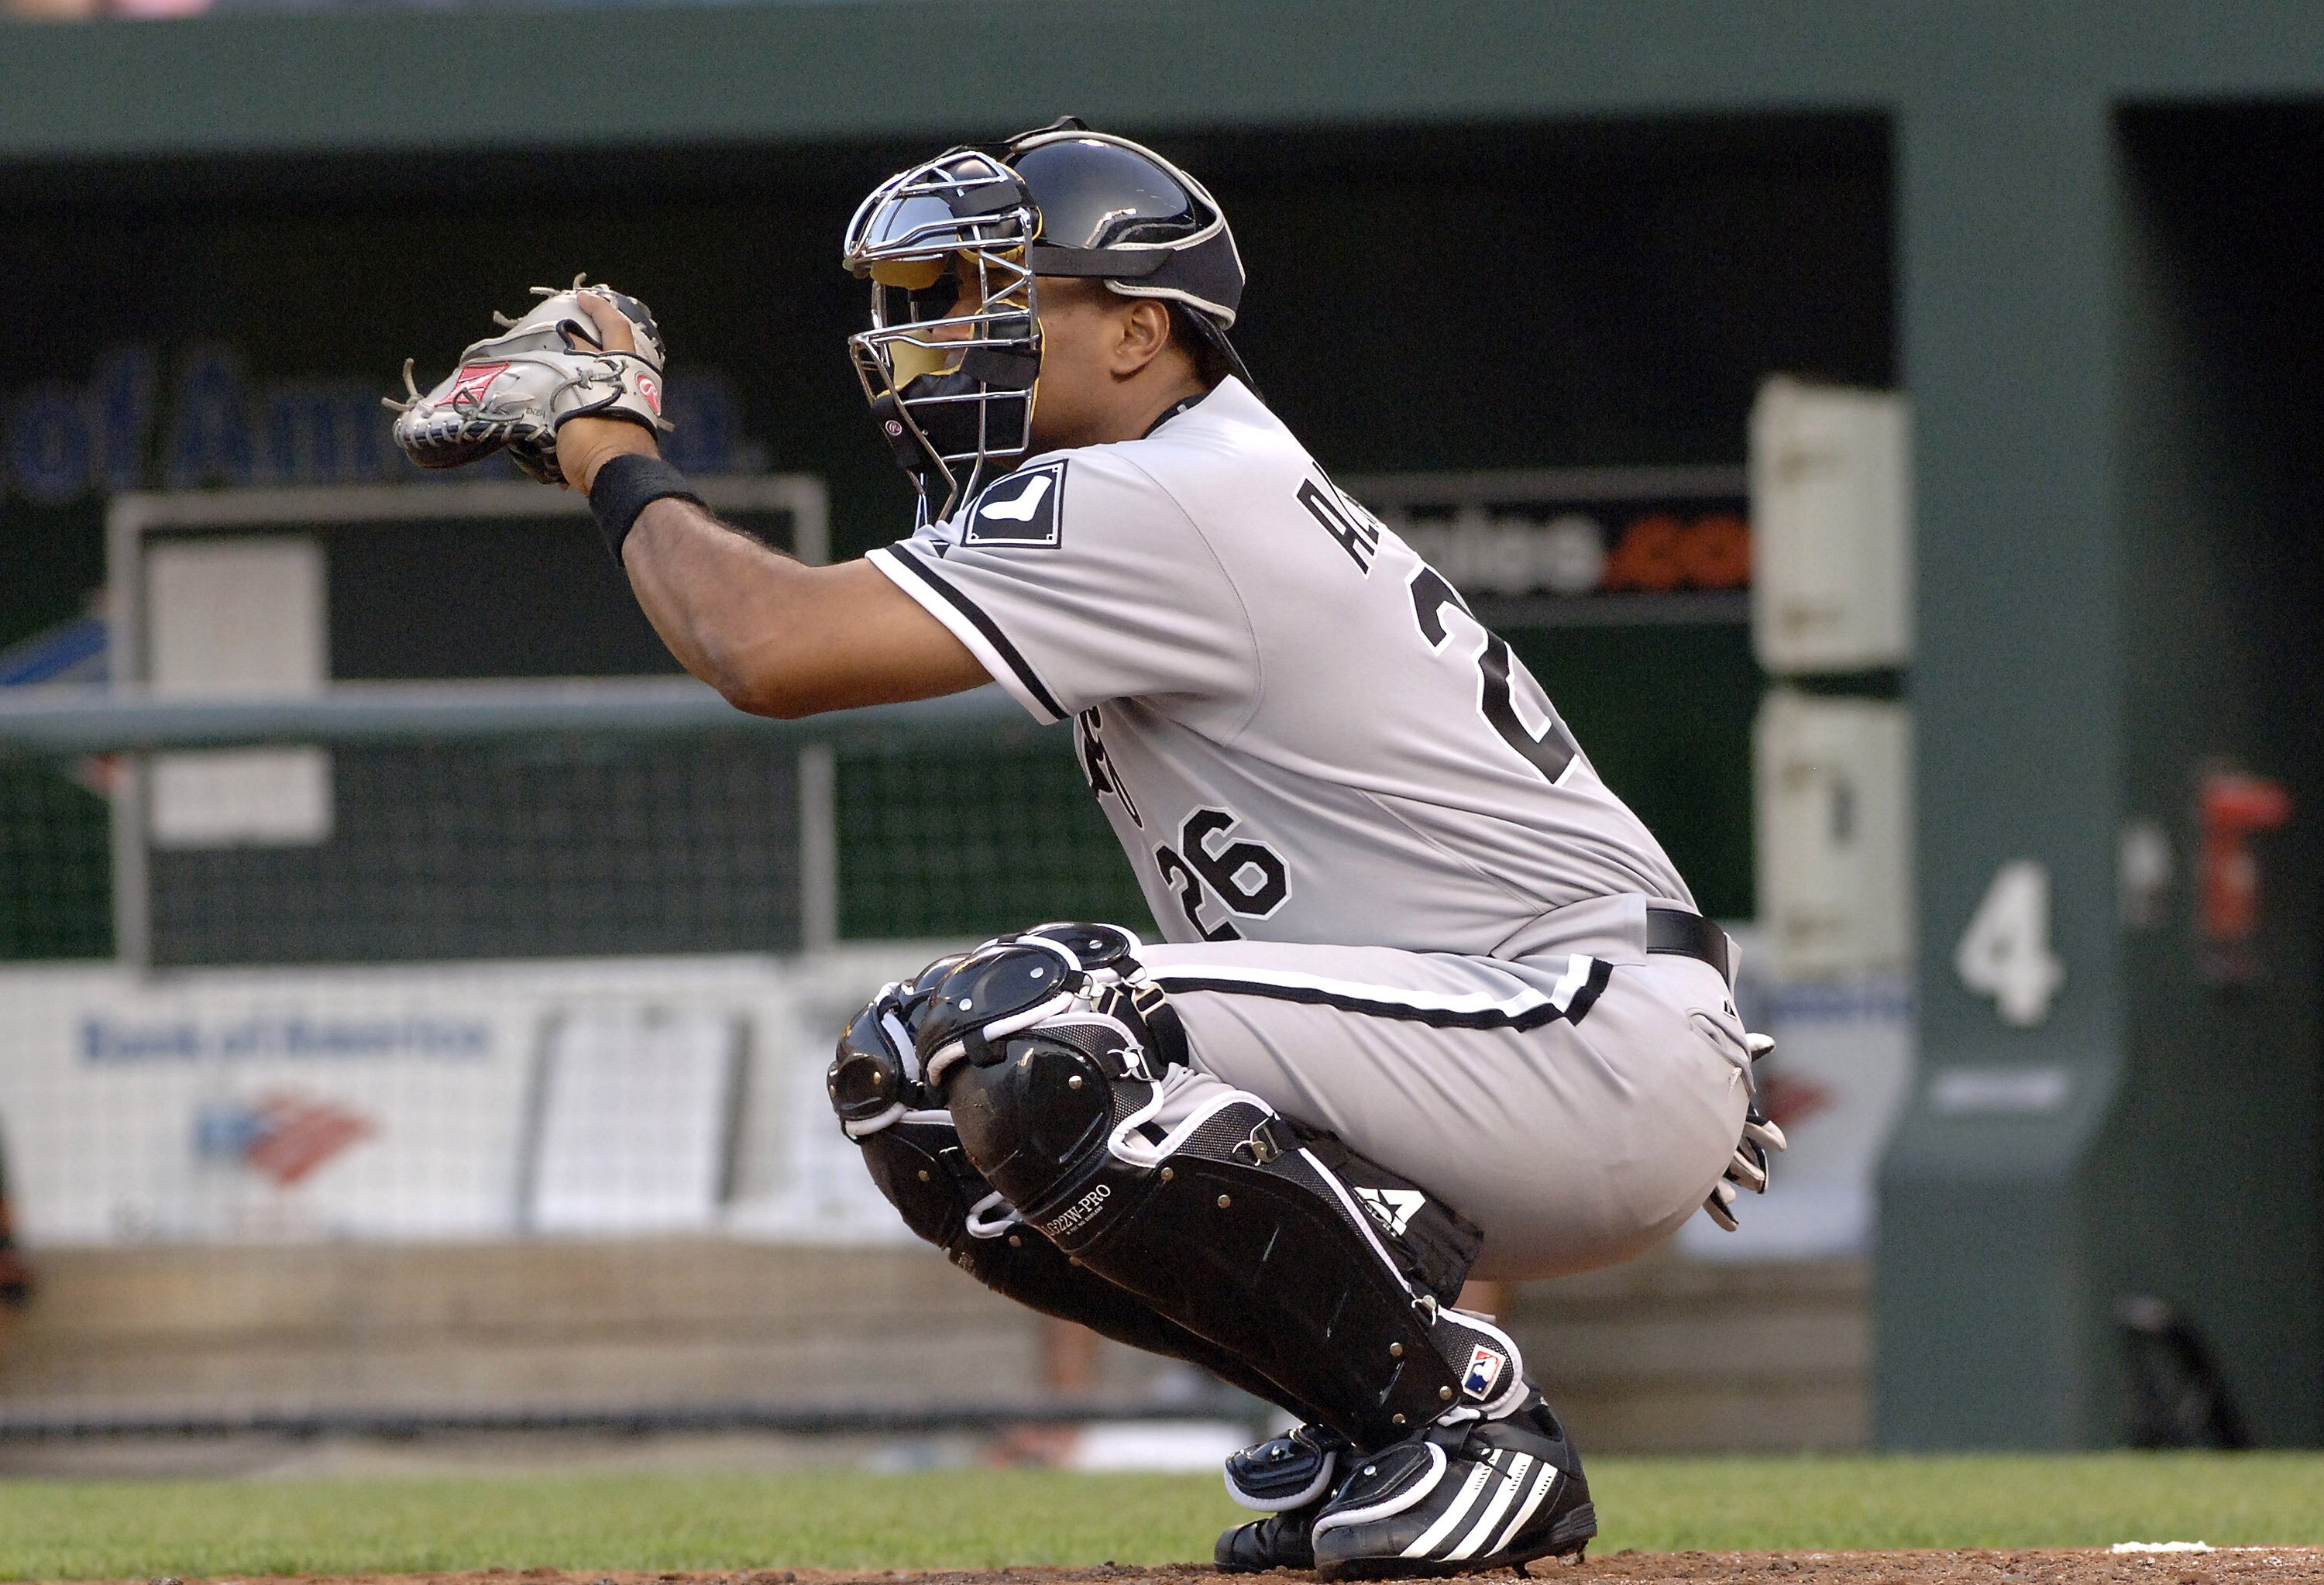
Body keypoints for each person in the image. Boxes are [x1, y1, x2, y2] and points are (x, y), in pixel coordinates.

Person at [537, 120, 1781, 1579]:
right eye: (939, 300)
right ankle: (1373, 1405)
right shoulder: (1191, 475)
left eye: (998, 289)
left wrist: (601, 440)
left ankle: (1462, 1423)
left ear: (1138, 331)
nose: (946, 332)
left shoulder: (1165, 487)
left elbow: (762, 645)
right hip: (1537, 1031)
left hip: (1583, 1031)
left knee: (1033, 1026)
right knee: (911, 1086)